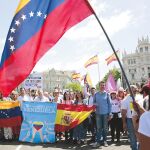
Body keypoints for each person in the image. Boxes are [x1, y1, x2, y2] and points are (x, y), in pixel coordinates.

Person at [92, 81, 111, 148]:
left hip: (105, 114)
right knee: (99, 128)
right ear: (99, 86)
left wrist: (110, 113)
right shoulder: (96, 94)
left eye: (103, 85)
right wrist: (95, 104)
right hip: (98, 114)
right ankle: (98, 142)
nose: (102, 86)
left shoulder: (107, 94)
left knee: (105, 128)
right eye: (101, 85)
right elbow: (93, 103)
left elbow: (109, 104)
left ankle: (105, 141)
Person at [121, 85, 139, 150]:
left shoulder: (140, 97)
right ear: (129, 91)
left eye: (135, 89)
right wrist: (124, 123)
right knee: (132, 136)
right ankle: (134, 148)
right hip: (130, 120)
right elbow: (123, 113)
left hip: (139, 119)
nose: (134, 91)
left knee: (140, 135)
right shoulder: (125, 100)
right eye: (132, 89)